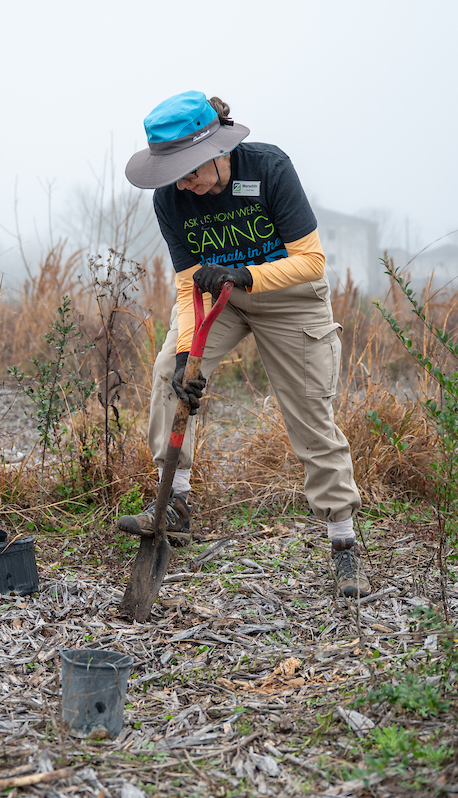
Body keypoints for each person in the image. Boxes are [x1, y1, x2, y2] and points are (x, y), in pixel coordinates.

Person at [116, 90, 370, 598]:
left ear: (217, 151)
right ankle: (176, 503)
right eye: (173, 173)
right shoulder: (170, 199)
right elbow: (188, 285)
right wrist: (187, 356)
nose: (183, 183)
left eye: (189, 171)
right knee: (170, 372)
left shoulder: (269, 169)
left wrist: (246, 274)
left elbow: (312, 261)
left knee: (309, 413)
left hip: (289, 295)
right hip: (220, 298)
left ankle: (343, 540)